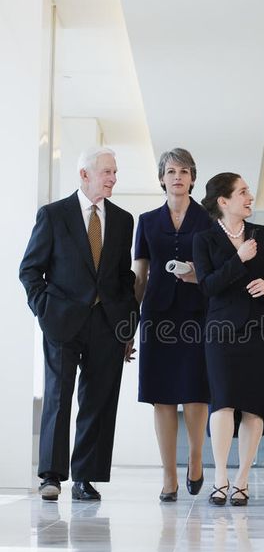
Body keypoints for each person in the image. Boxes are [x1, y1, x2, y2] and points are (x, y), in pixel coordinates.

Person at [19, 146, 139, 502]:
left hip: (107, 323)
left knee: (99, 401)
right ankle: (52, 476)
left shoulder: (122, 219)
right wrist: (44, 310)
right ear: (84, 175)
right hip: (62, 322)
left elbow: (123, 276)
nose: (113, 178)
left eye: (115, 172)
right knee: (58, 397)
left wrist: (126, 325)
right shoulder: (54, 215)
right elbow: (30, 270)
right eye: (107, 172)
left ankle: (86, 477)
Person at [193, 173, 264, 506]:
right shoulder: (203, 240)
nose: (250, 197)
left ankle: (243, 479)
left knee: (254, 404)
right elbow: (207, 285)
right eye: (243, 192)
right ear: (223, 201)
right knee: (223, 401)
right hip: (220, 331)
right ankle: (220, 477)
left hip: (260, 329)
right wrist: (239, 259)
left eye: (249, 191)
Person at [133, 148, 211, 501]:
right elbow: (140, 276)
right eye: (170, 171)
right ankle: (168, 477)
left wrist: (197, 275)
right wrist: (128, 325)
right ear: (162, 178)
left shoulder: (208, 220)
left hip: (197, 313)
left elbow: (216, 269)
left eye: (183, 170)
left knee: (196, 392)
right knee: (161, 396)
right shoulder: (147, 221)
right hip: (157, 315)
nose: (177, 176)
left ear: (192, 178)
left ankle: (195, 459)